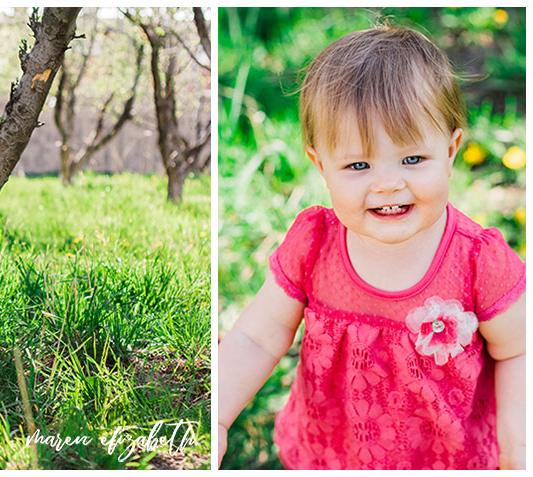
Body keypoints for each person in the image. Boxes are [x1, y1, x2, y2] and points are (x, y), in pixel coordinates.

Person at [218, 25, 525, 470]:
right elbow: (255, 337)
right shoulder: (314, 246)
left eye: (413, 159)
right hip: (334, 449)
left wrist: (520, 454)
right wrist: (219, 417)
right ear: (320, 165)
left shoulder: (478, 260)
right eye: (358, 164)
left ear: (452, 149)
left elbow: (520, 350)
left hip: (447, 457)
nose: (387, 183)